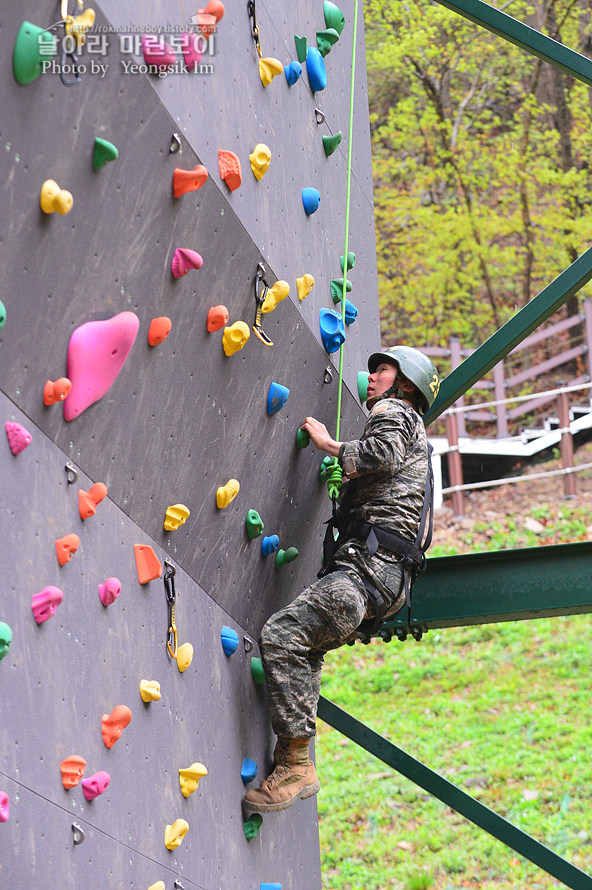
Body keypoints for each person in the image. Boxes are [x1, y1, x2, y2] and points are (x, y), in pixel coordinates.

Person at [243, 346, 440, 814]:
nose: (371, 378)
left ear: (405, 385)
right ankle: (293, 758)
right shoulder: (419, 435)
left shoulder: (396, 411)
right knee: (306, 647)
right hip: (385, 582)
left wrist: (332, 446)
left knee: (283, 634)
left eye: (383, 371)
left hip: (366, 570)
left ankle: (295, 765)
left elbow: (381, 454)